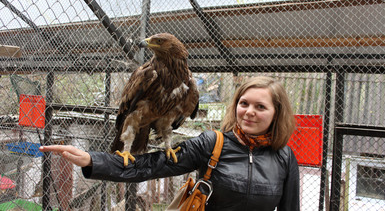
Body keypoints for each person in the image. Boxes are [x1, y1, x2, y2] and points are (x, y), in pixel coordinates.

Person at [40, 76, 300, 211]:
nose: (249, 112)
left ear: (277, 113)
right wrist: (92, 160)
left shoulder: (284, 158)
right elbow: (150, 166)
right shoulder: (213, 144)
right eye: (244, 103)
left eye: (260, 106)